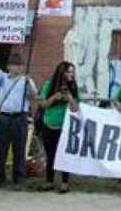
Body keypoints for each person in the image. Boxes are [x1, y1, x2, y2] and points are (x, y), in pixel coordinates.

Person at [0, 44, 37, 188]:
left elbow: (33, 96)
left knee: (19, 148)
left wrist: (29, 83)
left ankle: (19, 178)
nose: (14, 68)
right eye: (12, 65)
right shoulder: (3, 78)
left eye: (17, 65)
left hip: (20, 116)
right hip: (4, 116)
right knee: (1, 148)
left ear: (21, 67)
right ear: (8, 66)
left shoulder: (26, 81)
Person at [38, 61, 79, 193]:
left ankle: (64, 182)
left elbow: (76, 108)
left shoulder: (73, 86)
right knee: (50, 155)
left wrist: (70, 98)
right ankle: (49, 181)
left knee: (64, 155)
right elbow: (42, 105)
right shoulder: (49, 85)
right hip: (48, 124)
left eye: (73, 72)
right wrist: (55, 97)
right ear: (62, 73)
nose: (71, 74)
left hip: (65, 126)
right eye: (69, 72)